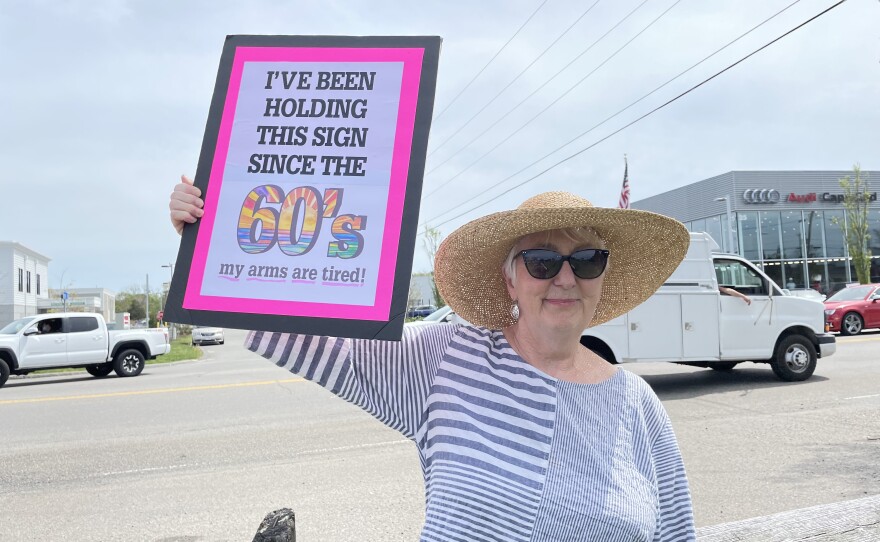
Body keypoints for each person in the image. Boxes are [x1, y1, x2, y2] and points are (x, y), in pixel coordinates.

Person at [170, 182, 697, 541]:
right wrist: (210, 237)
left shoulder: (638, 405)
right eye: (541, 260)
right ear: (510, 278)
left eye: (586, 259)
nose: (564, 277)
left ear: (602, 274)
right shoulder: (447, 361)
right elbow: (310, 337)